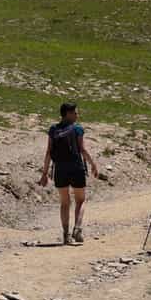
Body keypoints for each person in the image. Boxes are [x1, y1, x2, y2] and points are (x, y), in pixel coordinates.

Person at [36, 102, 100, 245]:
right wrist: (93, 165)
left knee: (65, 203)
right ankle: (77, 228)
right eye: (75, 112)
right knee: (81, 200)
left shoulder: (53, 129)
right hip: (76, 167)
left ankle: (65, 235)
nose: (77, 115)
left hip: (59, 169)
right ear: (68, 114)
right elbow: (82, 150)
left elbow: (49, 152)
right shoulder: (77, 129)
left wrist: (44, 173)